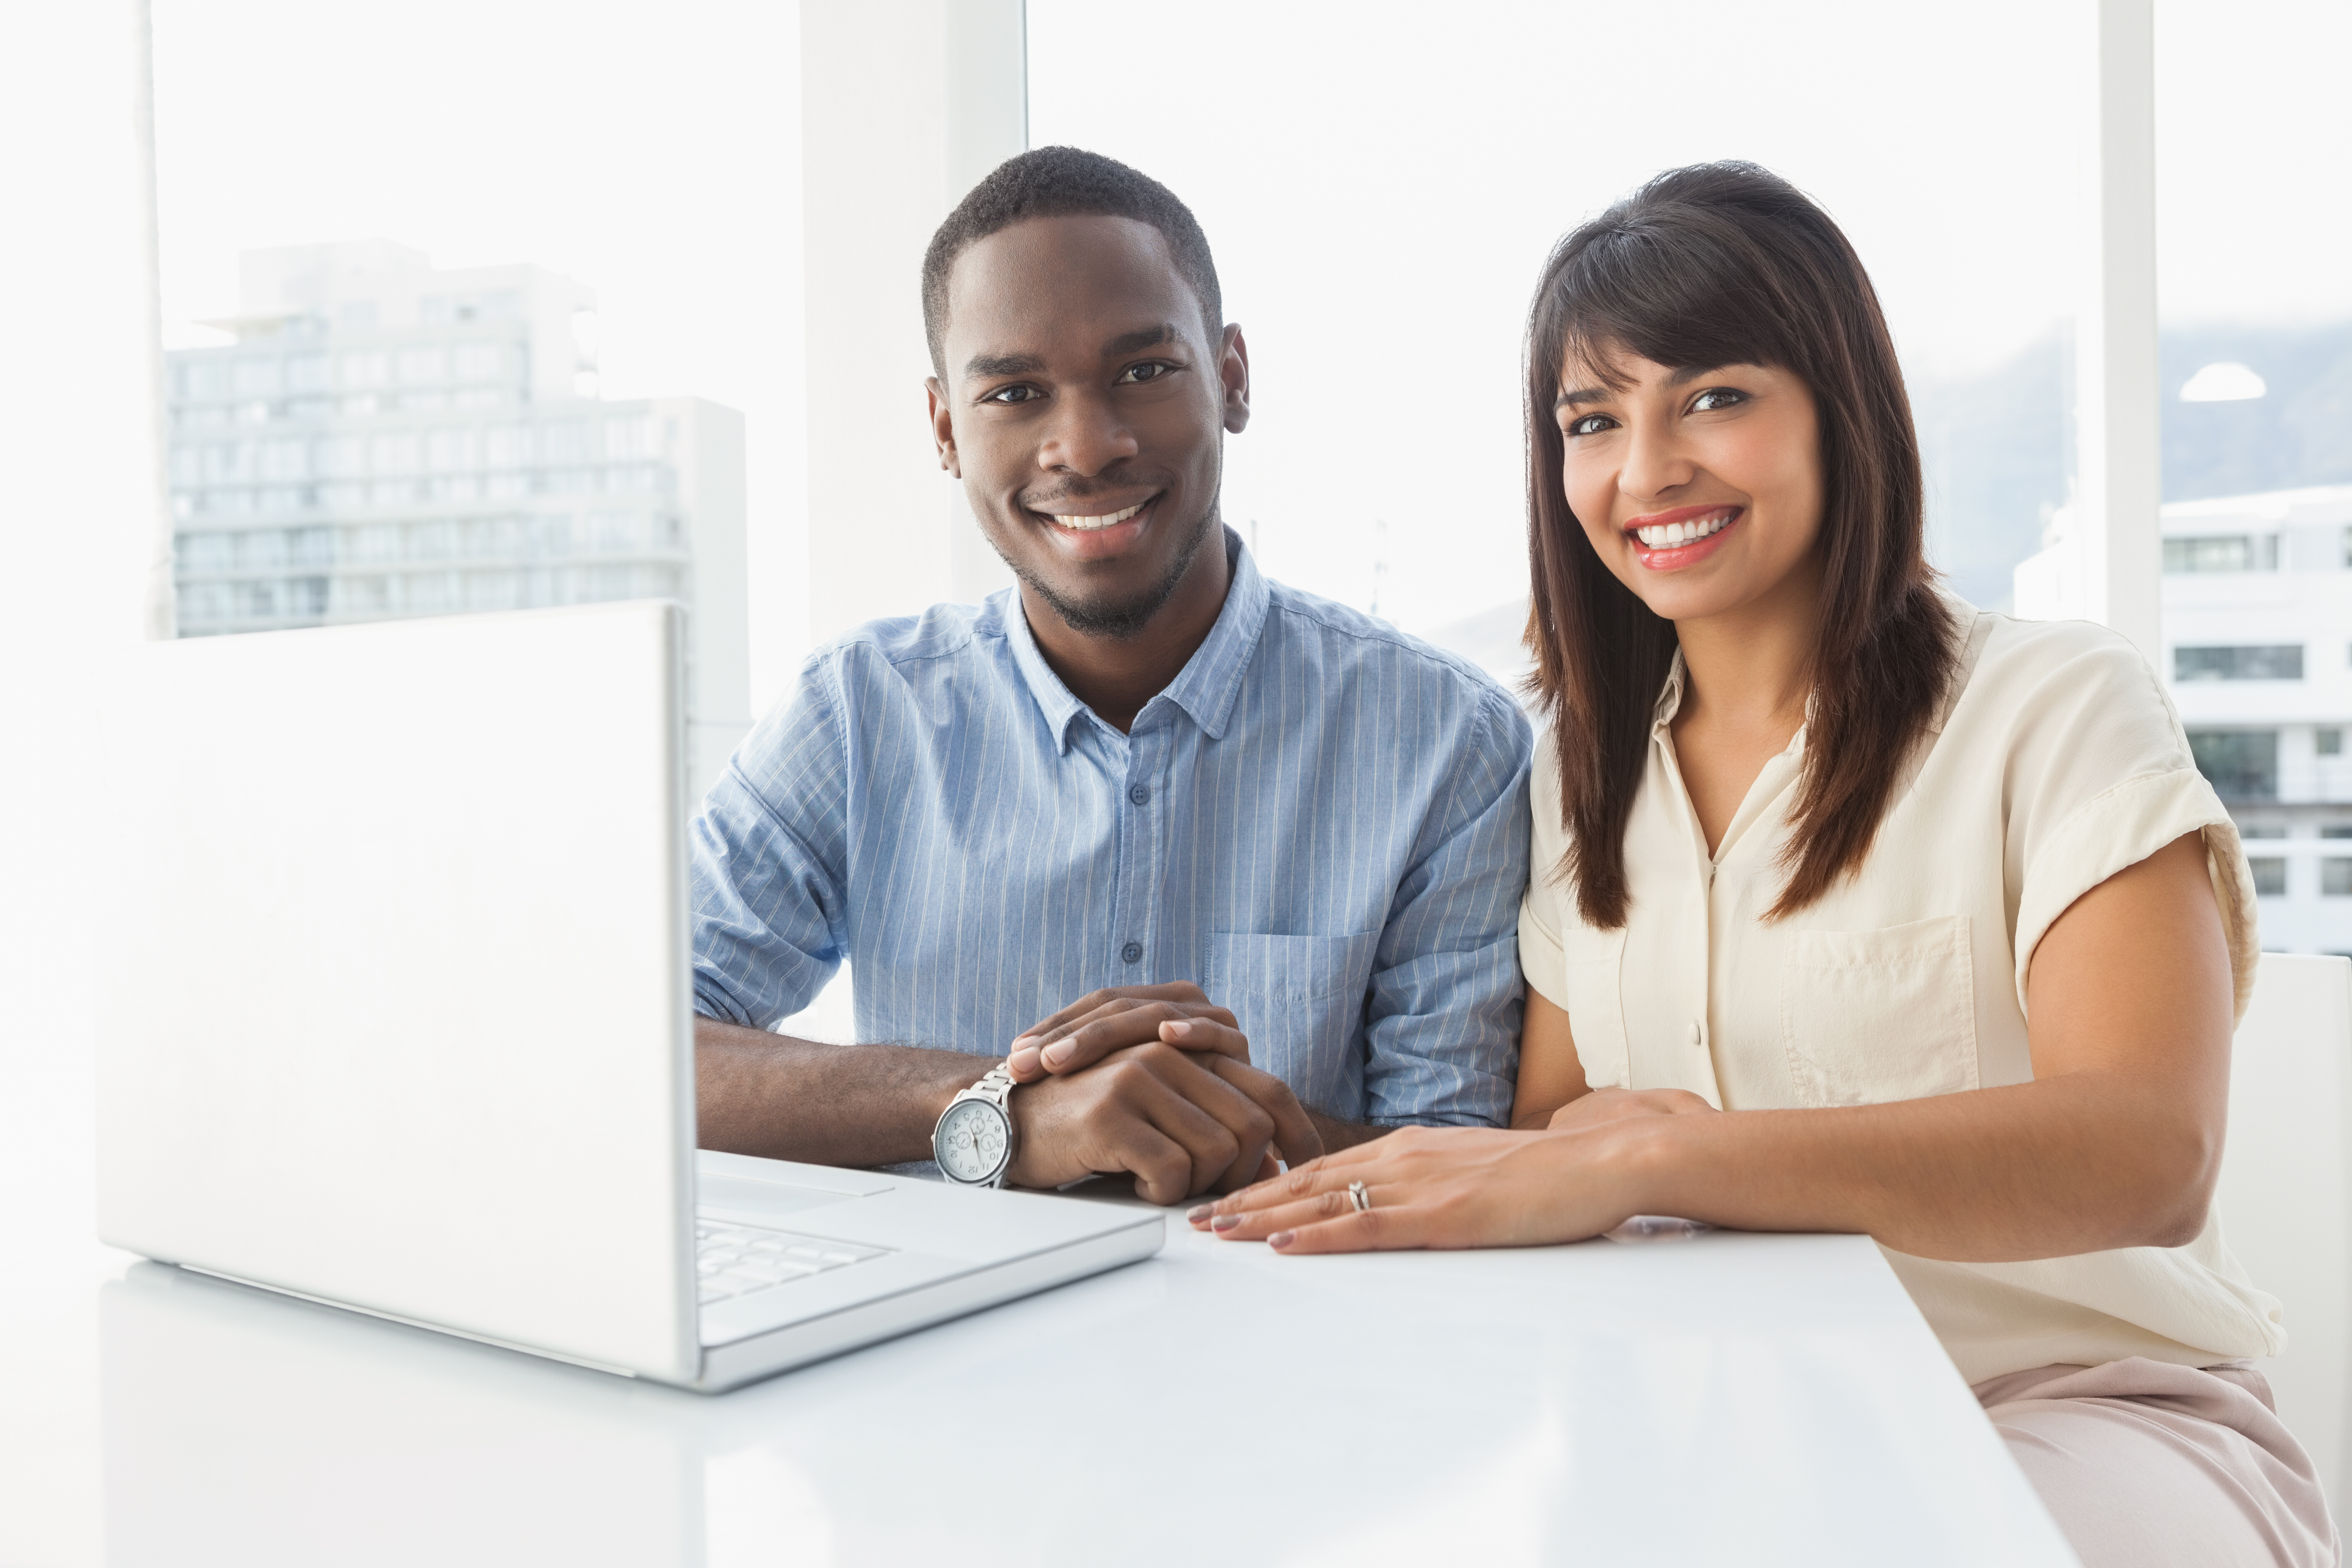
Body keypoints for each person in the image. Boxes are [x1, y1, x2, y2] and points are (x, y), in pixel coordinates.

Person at [1195, 162, 2337, 1565]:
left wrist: (1674, 1155)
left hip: (2070, 1407)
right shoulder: (1572, 776)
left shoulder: (2051, 707)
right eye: (1590, 419)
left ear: (1836, 409)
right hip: (1697, 1416)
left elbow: (2147, 1151)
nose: (1646, 466)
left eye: (1713, 398)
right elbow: (1555, 1132)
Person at [691, 147, 1532, 1205]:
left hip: (1311, 1355)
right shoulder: (857, 715)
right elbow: (635, 1054)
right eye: (1014, 393)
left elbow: (1457, 1162)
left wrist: (1193, 1117)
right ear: (948, 429)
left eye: (1144, 371)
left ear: (1230, 376)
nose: (1084, 448)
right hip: (936, 1365)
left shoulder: (1447, 742)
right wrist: (998, 1108)